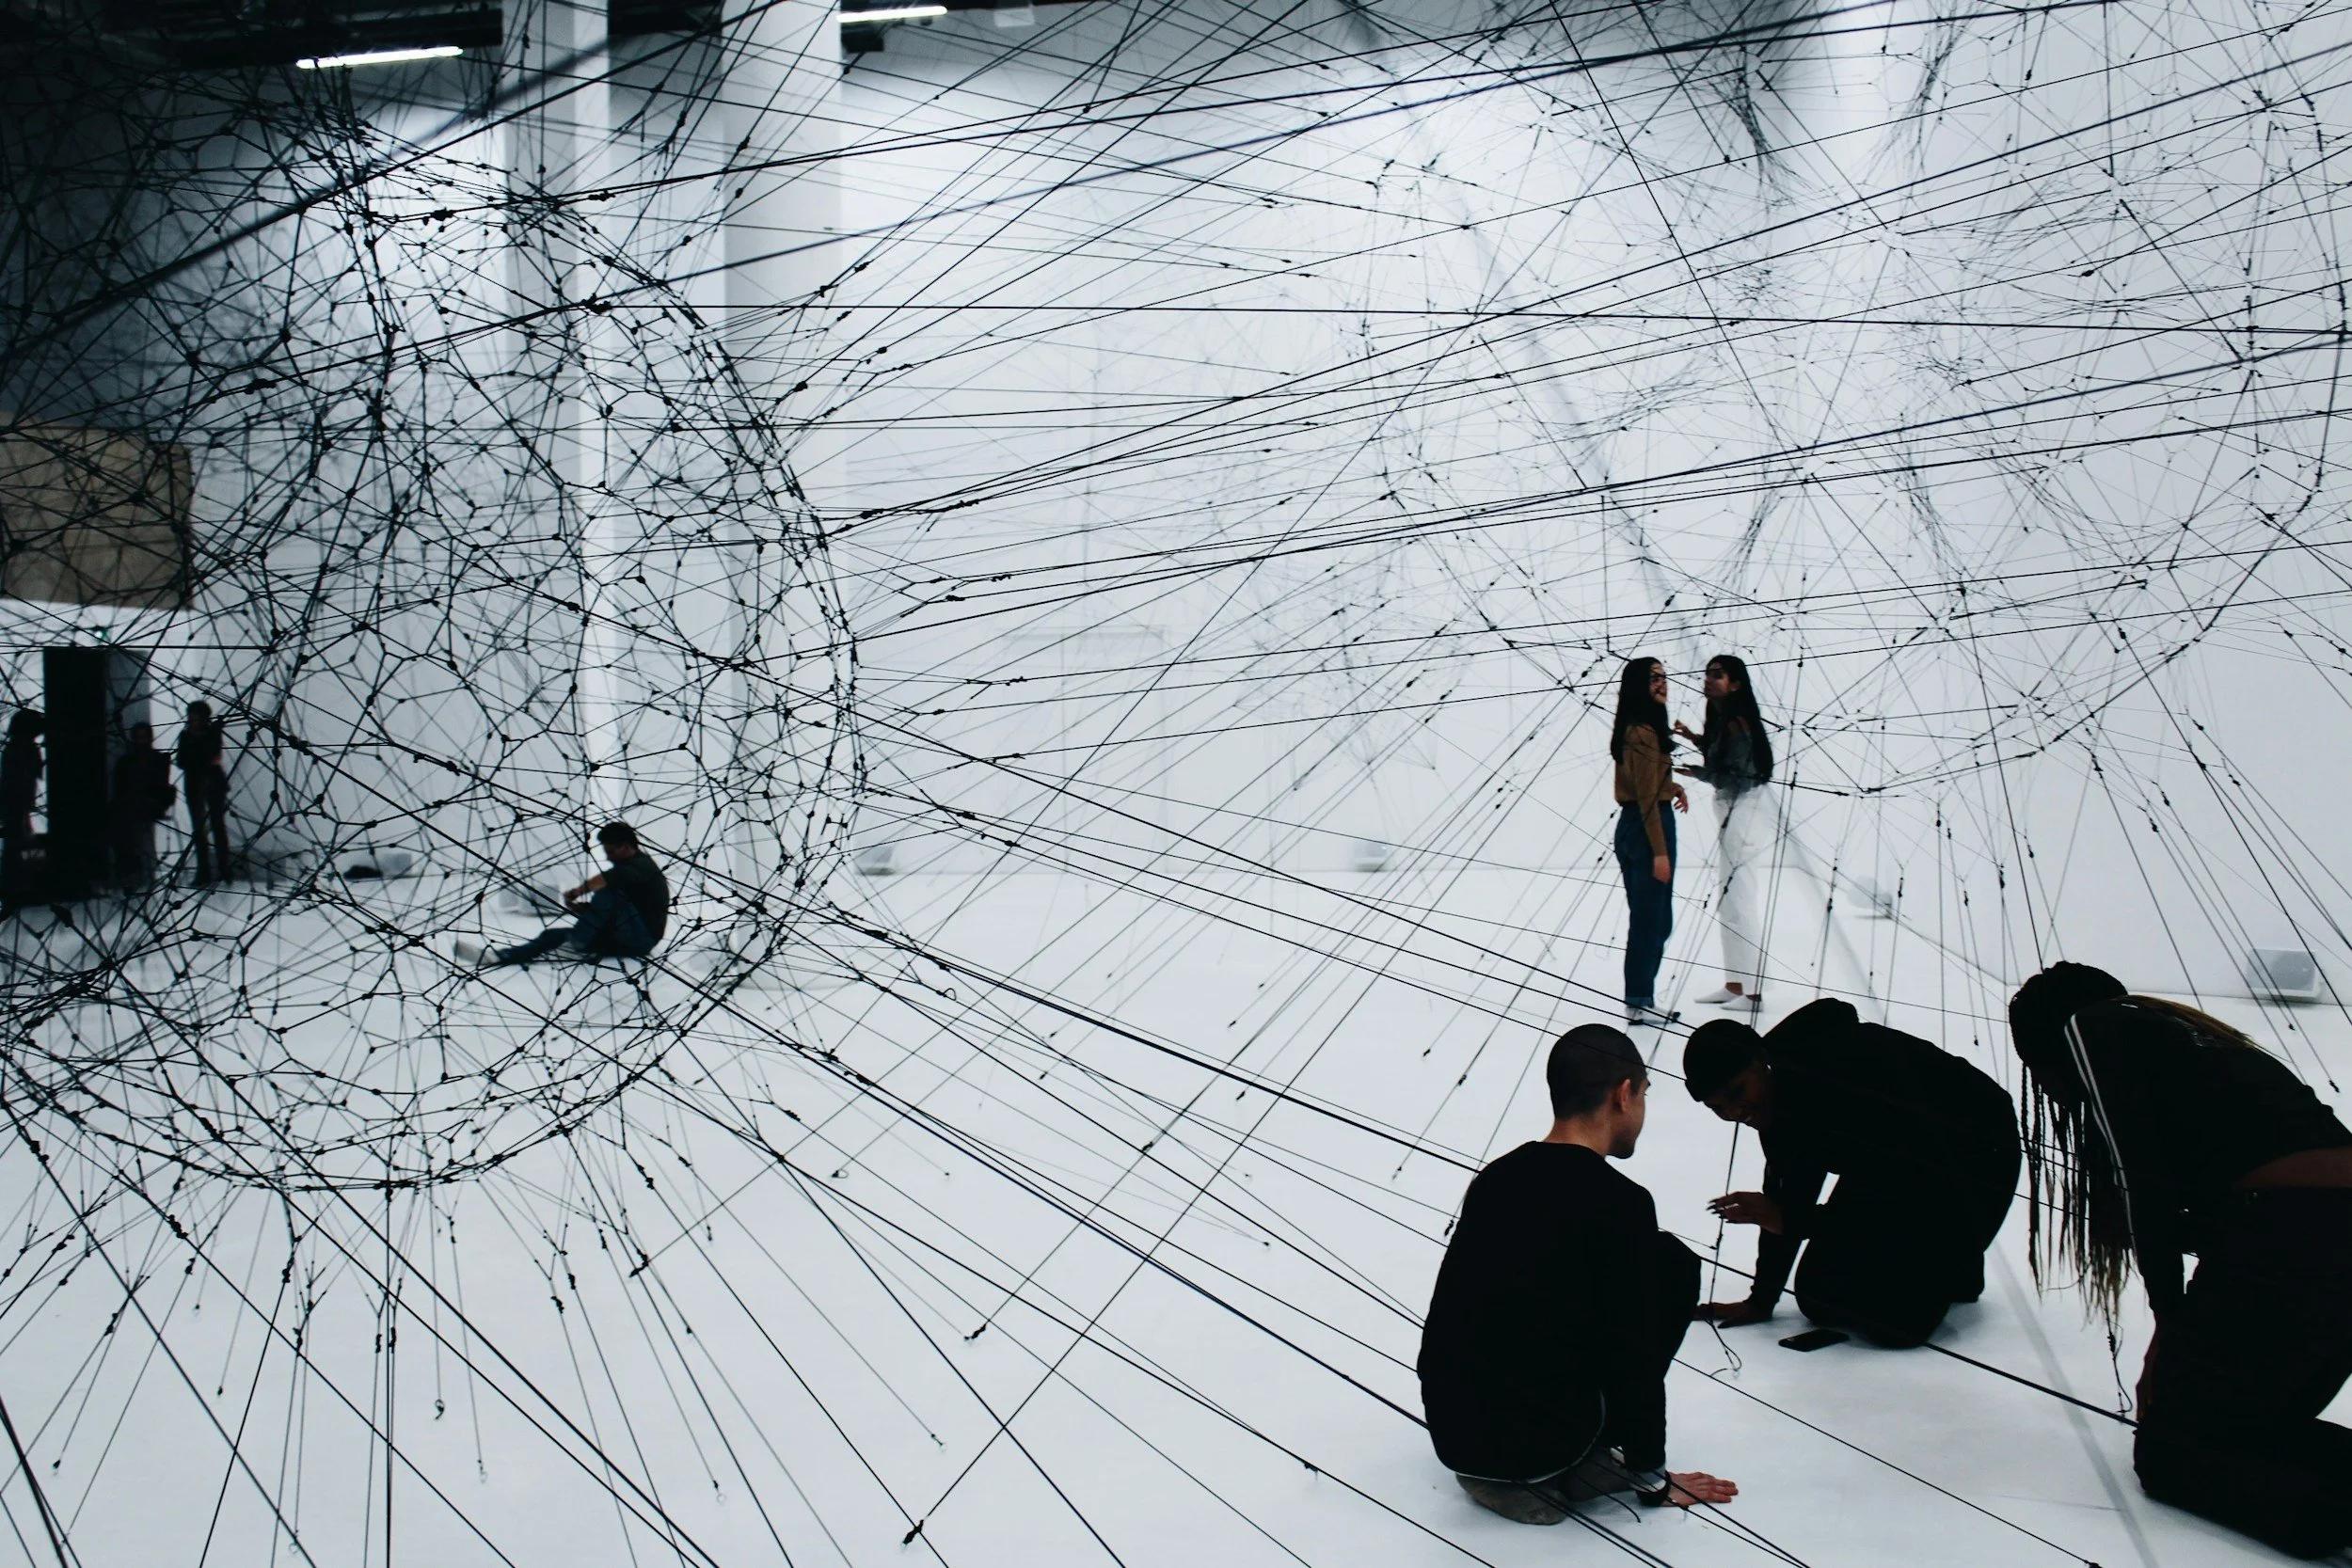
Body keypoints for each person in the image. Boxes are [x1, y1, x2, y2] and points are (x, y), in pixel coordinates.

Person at [2008, 963, 2352, 1559]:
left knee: (2169, 1453)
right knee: (2253, 1428)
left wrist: (2171, 1319)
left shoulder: (2091, 1029)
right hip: (2313, 1237)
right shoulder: (2189, 1037)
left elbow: (2138, 1178)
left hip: (2293, 1234)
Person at [1419, 1023, 1738, 1525]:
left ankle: (1526, 1465)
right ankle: (1548, 1466)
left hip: (1457, 1430)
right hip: (1525, 1444)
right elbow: (1631, 1353)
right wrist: (1650, 1476)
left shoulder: (1496, 1179)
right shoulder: (1620, 1203)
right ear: (1624, 1095)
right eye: (1646, 1095)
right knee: (1673, 1265)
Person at [1684, 999, 2021, 1347]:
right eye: (1719, 1108)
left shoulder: (1840, 1074)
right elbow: (1789, 1196)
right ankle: (1943, 1260)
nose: (1737, 1111)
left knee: (1896, 1325)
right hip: (1891, 1168)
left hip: (1978, 1154)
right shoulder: (1775, 1102)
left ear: (1760, 1063)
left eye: (1738, 1092)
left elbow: (1897, 1195)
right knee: (1819, 1297)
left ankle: (1954, 1257)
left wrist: (1788, 1218)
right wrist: (1761, 1300)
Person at [1673, 655, 1773, 1007]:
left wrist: (1695, 773)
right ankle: (1735, 985)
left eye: (1718, 675)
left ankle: (1754, 990)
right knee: (1729, 900)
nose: (1708, 680)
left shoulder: (1738, 724)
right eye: (1707, 674)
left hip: (1743, 811)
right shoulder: (1723, 720)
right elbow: (1722, 757)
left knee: (1740, 899)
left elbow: (1734, 775)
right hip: (1731, 809)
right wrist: (1693, 738)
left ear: (1735, 684)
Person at [471, 821, 670, 966]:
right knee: (551, 935)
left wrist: (577, 891)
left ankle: (580, 939)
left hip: (641, 940)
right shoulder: (632, 868)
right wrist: (586, 910)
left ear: (625, 847)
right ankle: (501, 956)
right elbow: (619, 909)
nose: (608, 858)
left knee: (609, 891)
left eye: (611, 851)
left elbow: (608, 881)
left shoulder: (642, 866)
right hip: (627, 937)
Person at [1611, 657, 1688, 1026]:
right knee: (1650, 920)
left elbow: (1644, 784)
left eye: (1663, 677)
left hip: (1643, 822)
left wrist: (1672, 785)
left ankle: (1642, 998)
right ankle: (1639, 1002)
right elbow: (1644, 800)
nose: (1662, 684)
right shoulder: (1640, 731)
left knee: (1655, 919)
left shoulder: (1644, 729)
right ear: (1638, 686)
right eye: (1653, 678)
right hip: (1647, 828)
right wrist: (1659, 852)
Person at [109, 722, 174, 890]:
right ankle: (127, 865)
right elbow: (119, 787)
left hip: (150, 803)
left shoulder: (159, 759)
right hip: (130, 804)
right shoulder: (125, 761)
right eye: (138, 738)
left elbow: (161, 786)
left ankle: (129, 867)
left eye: (143, 737)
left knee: (124, 818)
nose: (141, 741)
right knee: (119, 818)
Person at [176, 701, 231, 884]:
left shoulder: (211, 733)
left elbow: (212, 755)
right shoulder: (186, 735)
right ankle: (204, 871)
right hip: (195, 784)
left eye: (195, 716)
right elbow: (182, 760)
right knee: (200, 830)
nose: (192, 719)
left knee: (217, 826)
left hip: (211, 783)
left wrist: (196, 758)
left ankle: (224, 869)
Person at [1, 711, 44, 911]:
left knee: (17, 847)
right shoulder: (25, 750)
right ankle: (22, 889)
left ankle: (16, 890)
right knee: (23, 846)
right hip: (17, 807)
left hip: (14, 807)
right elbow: (22, 782)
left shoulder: (15, 749)